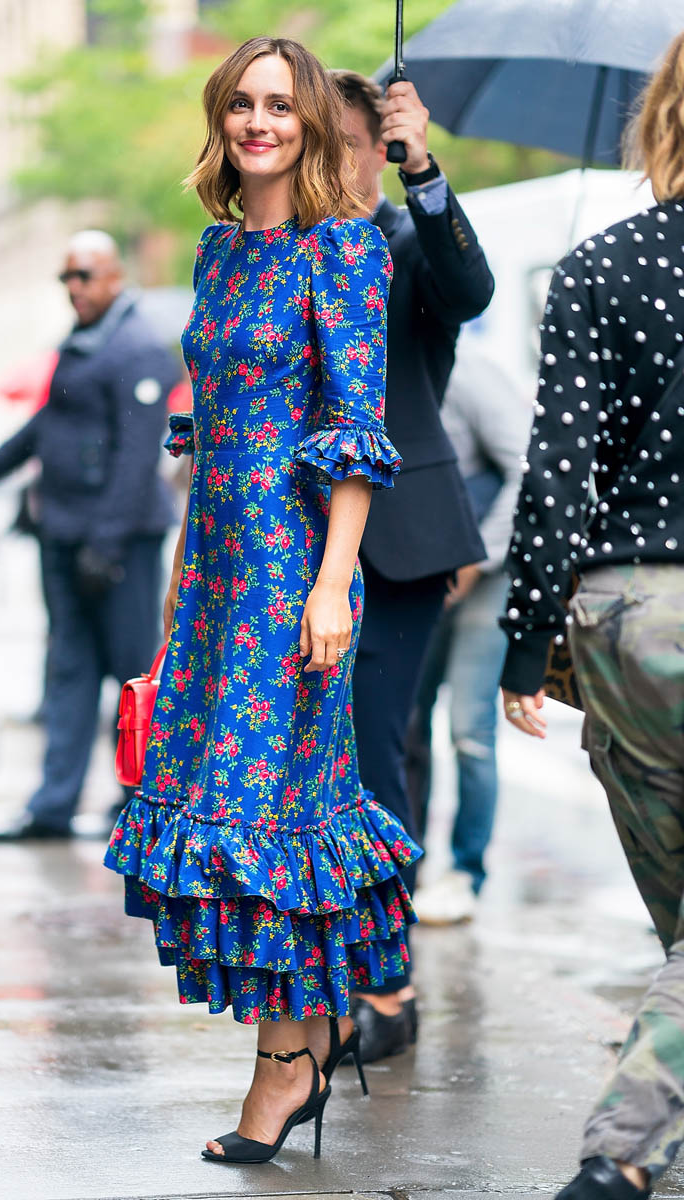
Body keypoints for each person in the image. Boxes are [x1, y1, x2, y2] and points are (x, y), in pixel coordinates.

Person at [103, 36, 420, 1164]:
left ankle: (289, 1057)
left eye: (279, 105)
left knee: (275, 813)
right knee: (219, 806)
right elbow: (221, 417)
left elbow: (354, 436)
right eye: (241, 102)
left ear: (308, 124)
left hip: (292, 577)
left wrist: (333, 585)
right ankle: (295, 1040)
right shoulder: (218, 251)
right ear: (219, 118)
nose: (258, 121)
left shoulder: (342, 251)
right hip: (214, 570)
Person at [500, 32, 684, 1200]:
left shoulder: (603, 263)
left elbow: (557, 467)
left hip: (617, 614)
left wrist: (526, 641)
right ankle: (617, 1161)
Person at [331, 69, 494, 1061]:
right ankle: (321, 977)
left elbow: (468, 290)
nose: (337, 157)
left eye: (356, 139)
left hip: (401, 539)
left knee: (371, 750)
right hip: (293, 540)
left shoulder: (401, 242)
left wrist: (420, 165)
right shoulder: (283, 248)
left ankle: (386, 989)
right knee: (305, 765)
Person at [0, 230, 179, 840]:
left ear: (115, 278)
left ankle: (144, 806)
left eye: (85, 276)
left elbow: (135, 458)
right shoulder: (78, 344)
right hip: (63, 535)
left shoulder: (138, 348)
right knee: (68, 671)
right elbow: (41, 431)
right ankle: (53, 806)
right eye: (66, 278)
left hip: (117, 544)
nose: (74, 288)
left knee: (133, 674)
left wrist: (107, 541)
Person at [406, 346, 531, 924]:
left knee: (469, 732)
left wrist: (473, 560)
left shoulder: (474, 373)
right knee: (404, 726)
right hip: (420, 578)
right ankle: (403, 865)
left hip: (484, 578)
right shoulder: (381, 369)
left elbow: (527, 470)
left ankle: (466, 871)